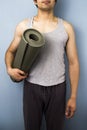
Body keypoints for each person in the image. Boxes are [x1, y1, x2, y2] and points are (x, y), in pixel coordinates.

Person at [5, 0, 80, 130]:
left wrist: (73, 96)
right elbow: (10, 51)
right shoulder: (24, 26)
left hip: (58, 88)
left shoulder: (67, 27)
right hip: (32, 87)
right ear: (35, 1)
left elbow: (73, 63)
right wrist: (9, 69)